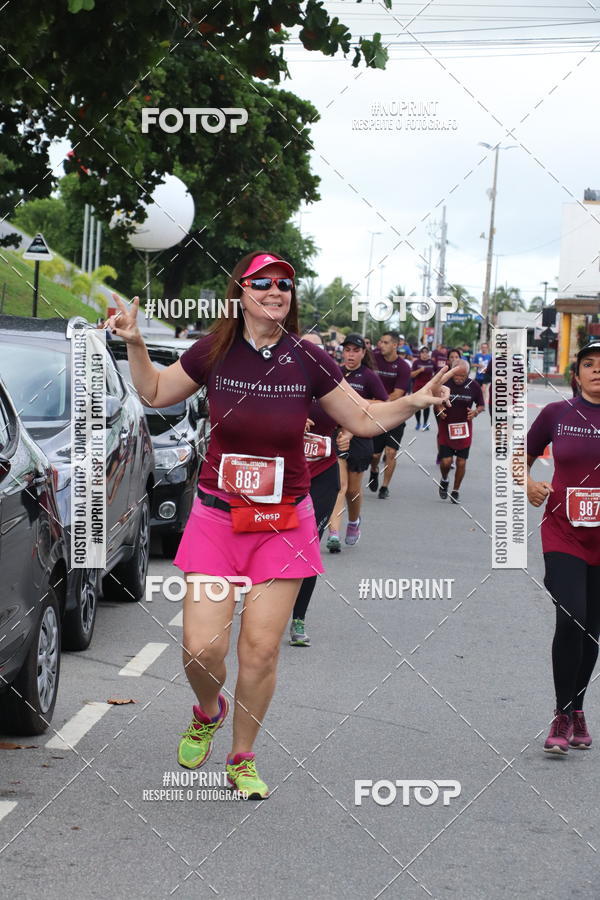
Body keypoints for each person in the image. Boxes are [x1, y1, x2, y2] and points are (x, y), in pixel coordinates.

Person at [105, 253, 452, 799]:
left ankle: (242, 756)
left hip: (284, 522)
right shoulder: (214, 350)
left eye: (284, 283)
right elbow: (153, 392)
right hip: (219, 516)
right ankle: (207, 710)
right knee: (200, 648)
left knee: (261, 650)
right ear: (240, 292)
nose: (275, 290)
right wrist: (135, 344)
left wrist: (414, 399)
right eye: (262, 282)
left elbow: (361, 418)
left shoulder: (307, 359)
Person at [527, 340, 600, 754]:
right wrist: (529, 483)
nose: (597, 370)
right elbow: (518, 454)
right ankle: (561, 711)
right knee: (571, 616)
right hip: (563, 532)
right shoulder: (558, 413)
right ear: (577, 374)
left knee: (593, 627)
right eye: (588, 364)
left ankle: (578, 709)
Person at [289, 332, 350, 646]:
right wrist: (290, 420)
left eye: (317, 349)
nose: (311, 353)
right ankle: (268, 609)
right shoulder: (281, 383)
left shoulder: (332, 384)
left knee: (309, 548)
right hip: (284, 479)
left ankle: (298, 618)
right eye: (304, 347)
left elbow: (358, 412)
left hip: (323, 477)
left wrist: (348, 433)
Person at [327, 333, 388, 549]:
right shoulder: (335, 372)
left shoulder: (369, 376)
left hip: (361, 436)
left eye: (355, 350)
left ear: (363, 353)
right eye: (347, 350)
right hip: (337, 435)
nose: (350, 354)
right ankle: (333, 533)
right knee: (339, 487)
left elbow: (382, 403)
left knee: (353, 490)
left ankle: (354, 522)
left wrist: (356, 403)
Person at [368, 331, 412, 498]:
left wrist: (375, 402)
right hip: (376, 415)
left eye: (386, 342)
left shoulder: (403, 367)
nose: (381, 345)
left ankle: (385, 487)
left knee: (391, 452)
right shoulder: (373, 359)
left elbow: (397, 394)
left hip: (396, 414)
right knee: (374, 455)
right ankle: (373, 470)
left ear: (395, 345)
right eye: (380, 341)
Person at [436, 359, 484, 503]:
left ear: (468, 374)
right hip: (446, 426)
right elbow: (433, 400)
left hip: (464, 428)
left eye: (462, 376)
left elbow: (481, 405)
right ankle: (444, 480)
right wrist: (439, 409)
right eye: (456, 375)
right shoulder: (444, 383)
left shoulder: (473, 385)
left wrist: (475, 412)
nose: (458, 379)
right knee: (446, 462)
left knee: (461, 462)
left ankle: (456, 490)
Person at [412, 346, 436, 431]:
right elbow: (411, 375)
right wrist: (419, 370)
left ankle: (425, 423)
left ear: (428, 353)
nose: (424, 354)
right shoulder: (416, 362)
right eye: (423, 352)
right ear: (420, 353)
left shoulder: (432, 362)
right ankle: (418, 422)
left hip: (428, 386)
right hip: (418, 386)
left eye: (426, 352)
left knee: (426, 405)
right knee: (417, 405)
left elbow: (437, 373)